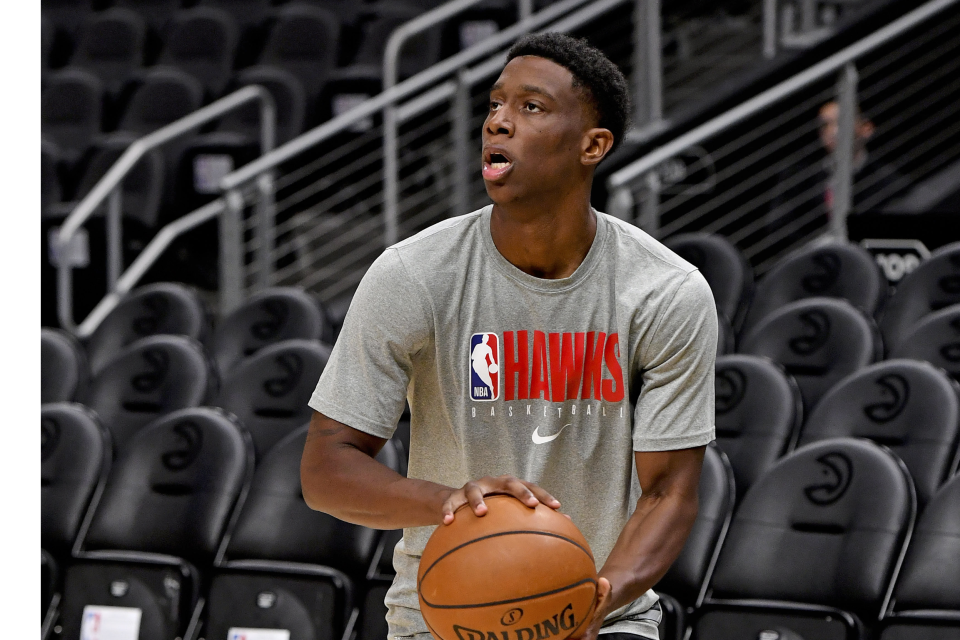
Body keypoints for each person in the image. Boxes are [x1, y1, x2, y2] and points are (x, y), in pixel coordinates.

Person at [301, 33, 717, 640]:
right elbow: (325, 469)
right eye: (494, 104)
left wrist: (594, 600)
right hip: (440, 616)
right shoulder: (413, 274)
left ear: (592, 145)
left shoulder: (665, 292)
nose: (497, 121)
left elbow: (669, 493)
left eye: (530, 107)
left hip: (606, 614)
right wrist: (449, 501)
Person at [764, 100, 902, 256]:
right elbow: (778, 230)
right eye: (825, 125)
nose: (832, 131)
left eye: (840, 122)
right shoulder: (797, 176)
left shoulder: (887, 181)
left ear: (866, 128)